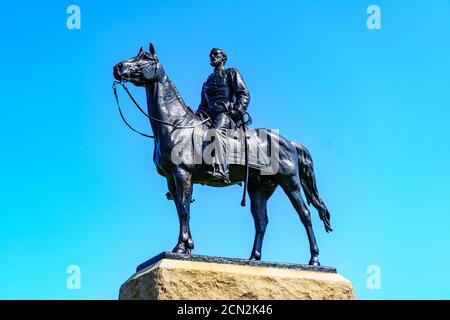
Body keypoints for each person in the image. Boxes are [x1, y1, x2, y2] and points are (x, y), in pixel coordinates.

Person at [197, 48, 250, 183]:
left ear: (223, 58)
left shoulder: (231, 73)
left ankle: (222, 170)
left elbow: (243, 94)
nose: (212, 56)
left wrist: (238, 111)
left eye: (215, 54)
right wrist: (196, 117)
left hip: (227, 115)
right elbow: (202, 105)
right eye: (210, 55)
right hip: (208, 116)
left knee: (216, 131)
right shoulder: (206, 83)